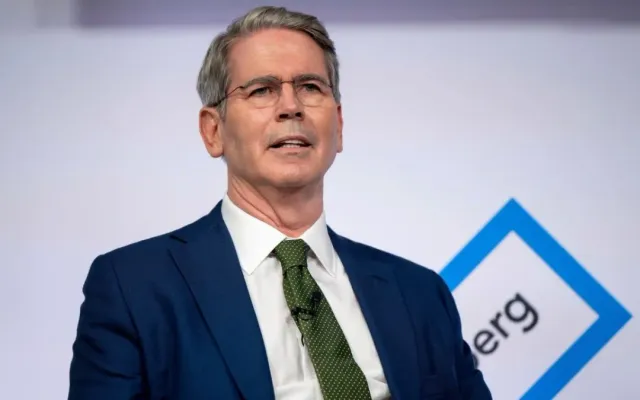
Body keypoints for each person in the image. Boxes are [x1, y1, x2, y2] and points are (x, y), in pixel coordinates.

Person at [68, 6, 492, 400]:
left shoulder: (419, 294)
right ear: (213, 131)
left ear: (339, 125)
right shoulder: (134, 287)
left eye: (310, 87)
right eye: (261, 90)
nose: (291, 107)